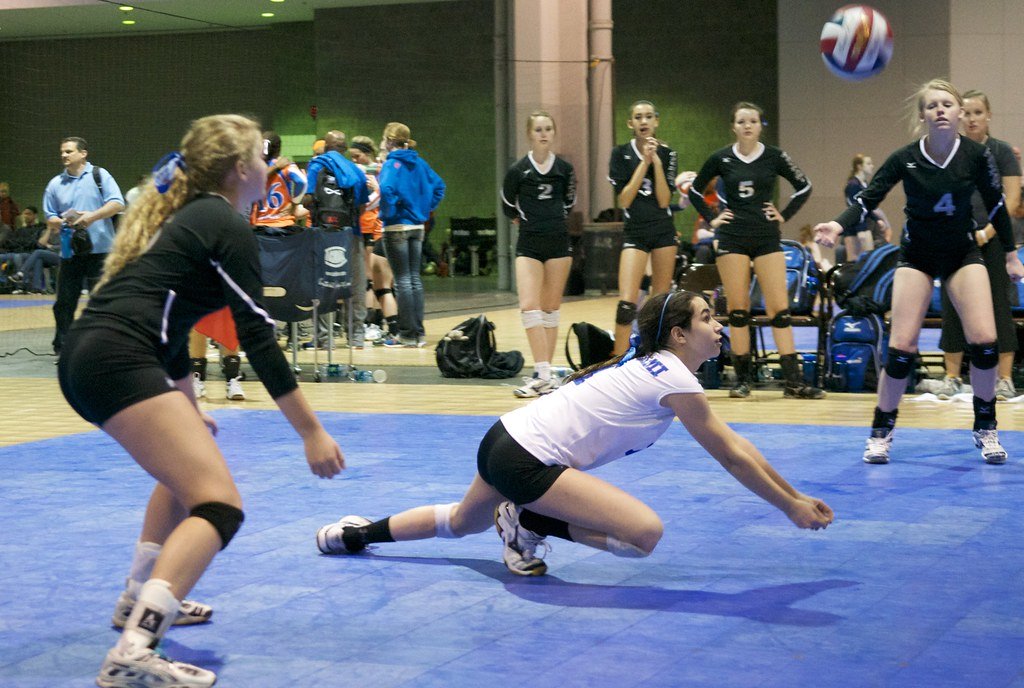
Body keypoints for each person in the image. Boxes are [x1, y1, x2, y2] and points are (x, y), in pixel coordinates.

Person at [57, 114, 344, 687]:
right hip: (116, 358)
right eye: (262, 157)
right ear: (241, 169)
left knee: (186, 475)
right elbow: (258, 337)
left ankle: (138, 597)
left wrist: (186, 401)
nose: (269, 165)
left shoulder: (187, 217)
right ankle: (135, 649)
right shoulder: (223, 222)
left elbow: (167, 320)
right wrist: (311, 431)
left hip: (92, 355)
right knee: (220, 507)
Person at [316, 291, 833, 576]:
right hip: (526, 462)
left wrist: (794, 495)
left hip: (502, 438)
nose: (718, 324)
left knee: (461, 521)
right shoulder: (674, 376)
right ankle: (526, 518)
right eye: (707, 317)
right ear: (679, 335)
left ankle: (357, 534)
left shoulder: (656, 368)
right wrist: (788, 505)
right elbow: (733, 454)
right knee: (643, 536)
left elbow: (739, 448)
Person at [815, 79, 1024, 465]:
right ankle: (881, 431)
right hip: (918, 255)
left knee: (984, 340)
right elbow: (868, 198)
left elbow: (996, 206)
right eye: (933, 106)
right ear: (923, 116)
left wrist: (1010, 255)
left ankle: (985, 427)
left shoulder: (976, 156)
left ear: (960, 112)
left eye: (948, 104)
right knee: (901, 347)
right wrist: (838, 225)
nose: (941, 110)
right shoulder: (905, 157)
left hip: (962, 252)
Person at [687, 102, 822, 399]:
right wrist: (712, 217)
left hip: (765, 236)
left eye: (753, 121)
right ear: (733, 127)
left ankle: (793, 382)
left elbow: (804, 186)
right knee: (738, 311)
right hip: (733, 237)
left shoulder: (774, 156)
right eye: (741, 121)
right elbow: (695, 190)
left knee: (780, 311)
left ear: (761, 125)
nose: (747, 125)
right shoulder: (721, 157)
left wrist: (784, 213)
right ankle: (743, 379)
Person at [934, 90, 1021, 401]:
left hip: (994, 240)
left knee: (999, 305)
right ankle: (952, 377)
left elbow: (1011, 201)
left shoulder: (1001, 152)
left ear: (989, 116)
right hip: (955, 241)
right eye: (966, 113)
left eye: (977, 113)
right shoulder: (949, 152)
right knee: (952, 307)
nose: (971, 119)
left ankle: (1005, 379)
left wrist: (986, 232)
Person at [501, 111, 577, 397]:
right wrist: (526, 221)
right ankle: (542, 373)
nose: (543, 134)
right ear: (529, 134)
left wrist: (552, 220)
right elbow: (508, 205)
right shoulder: (518, 170)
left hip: (558, 243)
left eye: (548, 129)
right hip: (529, 243)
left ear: (553, 133)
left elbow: (570, 202)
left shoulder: (565, 169)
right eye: (538, 129)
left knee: (549, 309)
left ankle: (546, 376)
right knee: (529, 305)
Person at [42, 136, 125, 356]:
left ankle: (105, 346)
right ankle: (63, 348)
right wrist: (61, 222)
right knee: (64, 303)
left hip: (101, 252)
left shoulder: (100, 175)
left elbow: (117, 203)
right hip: (70, 253)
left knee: (104, 302)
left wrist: (92, 216)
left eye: (69, 151)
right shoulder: (55, 184)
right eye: (62, 152)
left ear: (83, 153)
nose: (64, 155)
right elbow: (50, 216)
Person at [607, 100, 677, 356]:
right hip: (635, 231)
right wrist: (644, 163)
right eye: (638, 117)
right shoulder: (619, 154)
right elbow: (624, 199)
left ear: (656, 121)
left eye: (648, 116)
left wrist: (656, 163)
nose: (644, 121)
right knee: (626, 303)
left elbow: (664, 200)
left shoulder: (669, 155)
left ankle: (655, 356)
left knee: (660, 302)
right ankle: (616, 362)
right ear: (631, 123)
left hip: (663, 231)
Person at [378, 122, 446, 347]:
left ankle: (406, 333)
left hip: (396, 226)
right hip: (417, 227)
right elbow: (439, 187)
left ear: (389, 141)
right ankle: (418, 332)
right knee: (414, 279)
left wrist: (388, 213)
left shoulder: (391, 164)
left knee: (403, 281)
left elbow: (386, 191)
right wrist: (423, 209)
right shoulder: (420, 163)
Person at [304, 130, 369, 348]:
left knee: (323, 283)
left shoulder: (316, 166)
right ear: (345, 149)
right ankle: (356, 336)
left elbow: (308, 199)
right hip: (351, 233)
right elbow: (362, 205)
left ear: (326, 147)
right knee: (356, 284)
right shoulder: (355, 170)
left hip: (321, 234)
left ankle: (324, 338)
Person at [841, 154, 891, 262]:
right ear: (859, 166)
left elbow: (867, 207)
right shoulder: (853, 185)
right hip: (855, 227)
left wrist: (877, 220)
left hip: (863, 224)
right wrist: (861, 229)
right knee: (857, 260)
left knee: (867, 258)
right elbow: (855, 208)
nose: (872, 166)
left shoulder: (864, 184)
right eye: (868, 164)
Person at [11, 206, 59, 293]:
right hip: (48, 256)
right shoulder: (46, 231)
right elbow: (41, 244)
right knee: (38, 259)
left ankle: (21, 273)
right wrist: (48, 229)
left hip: (61, 255)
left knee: (38, 253)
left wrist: (51, 246)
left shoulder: (65, 231)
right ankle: (36, 288)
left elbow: (63, 247)